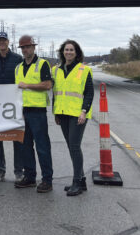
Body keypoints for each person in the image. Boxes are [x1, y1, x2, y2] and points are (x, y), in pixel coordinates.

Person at [52, 40, 94, 196]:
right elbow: (55, 92)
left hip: (78, 115)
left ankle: (76, 181)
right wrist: (55, 112)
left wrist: (84, 111)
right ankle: (81, 180)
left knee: (74, 147)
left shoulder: (84, 70)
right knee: (71, 146)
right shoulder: (55, 70)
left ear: (76, 53)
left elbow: (89, 93)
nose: (68, 52)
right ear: (62, 52)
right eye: (66, 49)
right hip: (62, 113)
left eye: (71, 50)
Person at [14, 35, 54, 193]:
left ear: (33, 47)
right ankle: (29, 177)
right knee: (25, 147)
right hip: (23, 113)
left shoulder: (42, 64)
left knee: (42, 147)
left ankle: (47, 180)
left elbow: (48, 85)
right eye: (23, 48)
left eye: (28, 47)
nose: (25, 50)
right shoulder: (18, 67)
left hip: (37, 112)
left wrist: (27, 85)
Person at [0, 31, 24, 182]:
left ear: (8, 42)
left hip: (14, 105)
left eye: (4, 40)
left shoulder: (17, 59)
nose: (2, 43)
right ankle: (0, 170)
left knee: (17, 138)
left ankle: (18, 171)